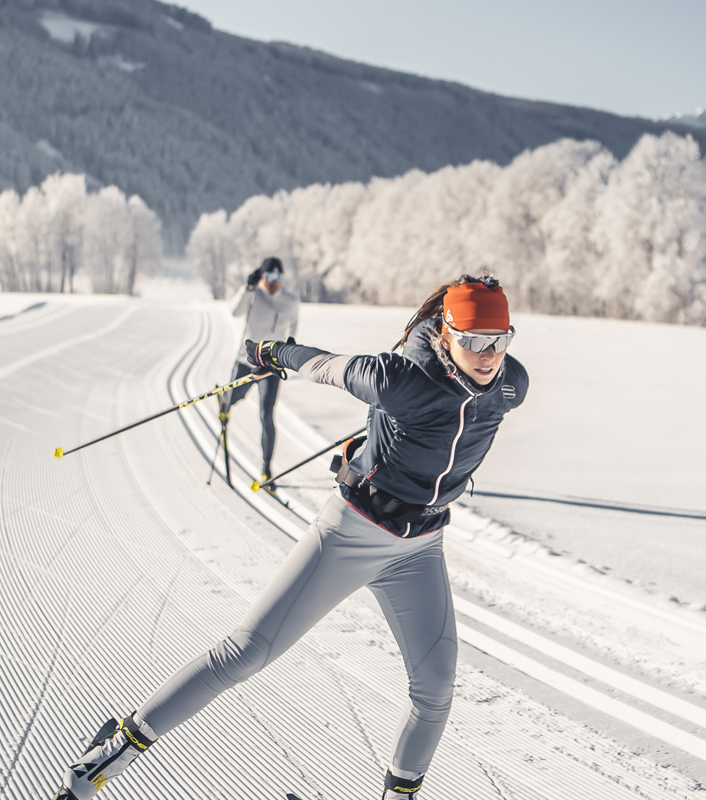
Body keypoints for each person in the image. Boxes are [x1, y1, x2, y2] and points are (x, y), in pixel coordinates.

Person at [54, 276, 527, 800]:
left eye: (500, 338)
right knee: (247, 652)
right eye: (475, 339)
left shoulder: (511, 385)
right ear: (445, 332)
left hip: (420, 548)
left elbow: (460, 430)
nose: (489, 354)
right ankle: (107, 756)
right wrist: (271, 351)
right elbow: (326, 366)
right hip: (353, 531)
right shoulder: (400, 379)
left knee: (436, 689)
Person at [222, 256, 302, 486]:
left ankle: (266, 469)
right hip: (246, 360)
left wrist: (291, 343)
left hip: (271, 365)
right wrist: (247, 288)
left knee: (267, 414)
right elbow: (234, 311)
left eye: (278, 277)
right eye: (269, 277)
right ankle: (224, 403)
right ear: (262, 276)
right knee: (233, 398)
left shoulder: (290, 300)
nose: (274, 282)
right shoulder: (253, 294)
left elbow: (294, 325)